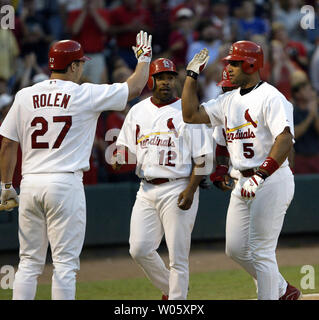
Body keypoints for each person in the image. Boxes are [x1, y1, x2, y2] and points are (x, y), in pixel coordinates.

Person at [0, 30, 152, 300]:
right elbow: (135, 88)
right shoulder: (84, 94)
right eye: (80, 62)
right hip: (64, 183)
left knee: (28, 263)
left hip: (30, 182)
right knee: (65, 265)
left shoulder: (24, 95)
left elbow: (7, 143)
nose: (83, 66)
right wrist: (144, 59)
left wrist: (6, 186)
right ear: (72, 65)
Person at [181, 42, 301, 300]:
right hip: (241, 180)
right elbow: (190, 115)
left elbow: (284, 140)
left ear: (251, 64)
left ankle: (271, 296)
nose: (229, 67)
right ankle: (282, 289)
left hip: (271, 178)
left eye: (234, 63)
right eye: (229, 63)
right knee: (235, 249)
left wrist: (260, 175)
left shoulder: (271, 96)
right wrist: (191, 76)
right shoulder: (227, 100)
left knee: (261, 250)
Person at [113, 58, 213, 300]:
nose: (166, 82)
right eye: (161, 78)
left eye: (170, 77)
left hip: (177, 185)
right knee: (139, 249)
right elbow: (124, 150)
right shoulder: (137, 110)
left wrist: (190, 190)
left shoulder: (188, 111)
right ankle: (172, 290)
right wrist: (119, 157)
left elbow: (203, 158)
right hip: (146, 188)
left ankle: (177, 301)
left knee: (178, 257)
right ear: (152, 80)